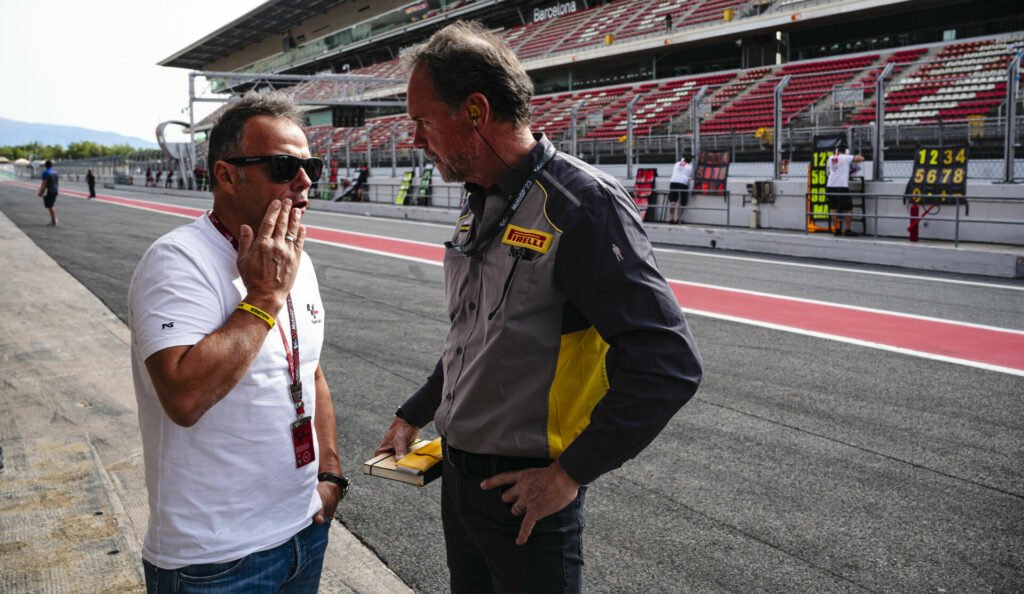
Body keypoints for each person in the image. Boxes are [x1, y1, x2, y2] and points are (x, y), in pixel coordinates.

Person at [374, 21, 703, 593]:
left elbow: (668, 362)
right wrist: (414, 412)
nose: (416, 139)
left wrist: (571, 473)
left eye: (424, 121)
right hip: (459, 482)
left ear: (475, 111)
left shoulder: (582, 206)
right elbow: (475, 334)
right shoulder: (480, 199)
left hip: (527, 498)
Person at [128, 91, 345, 593]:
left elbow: (309, 370)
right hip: (216, 559)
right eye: (284, 165)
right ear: (227, 175)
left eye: (310, 164)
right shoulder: (177, 261)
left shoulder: (297, 259)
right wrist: (265, 296)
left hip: (303, 531)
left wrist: (330, 474)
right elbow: (183, 397)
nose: (306, 180)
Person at [826, 147, 865, 236]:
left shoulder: (831, 157)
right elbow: (861, 158)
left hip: (830, 185)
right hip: (841, 186)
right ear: (845, 152)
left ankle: (836, 229)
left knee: (833, 209)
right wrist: (853, 155)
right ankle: (847, 230)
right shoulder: (845, 157)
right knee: (848, 209)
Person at [668, 153, 692, 224]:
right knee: (682, 202)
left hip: (673, 181)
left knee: (673, 201)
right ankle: (678, 219)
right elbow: (691, 175)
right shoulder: (690, 166)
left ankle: (671, 219)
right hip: (683, 182)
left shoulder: (677, 164)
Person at [37, 159, 59, 226]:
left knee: (50, 206)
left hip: (49, 191)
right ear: (52, 165)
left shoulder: (46, 172)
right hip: (55, 190)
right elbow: (58, 182)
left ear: (46, 166)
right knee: (51, 205)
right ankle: (53, 219)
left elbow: (44, 183)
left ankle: (54, 220)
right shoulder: (56, 172)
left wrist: (41, 192)